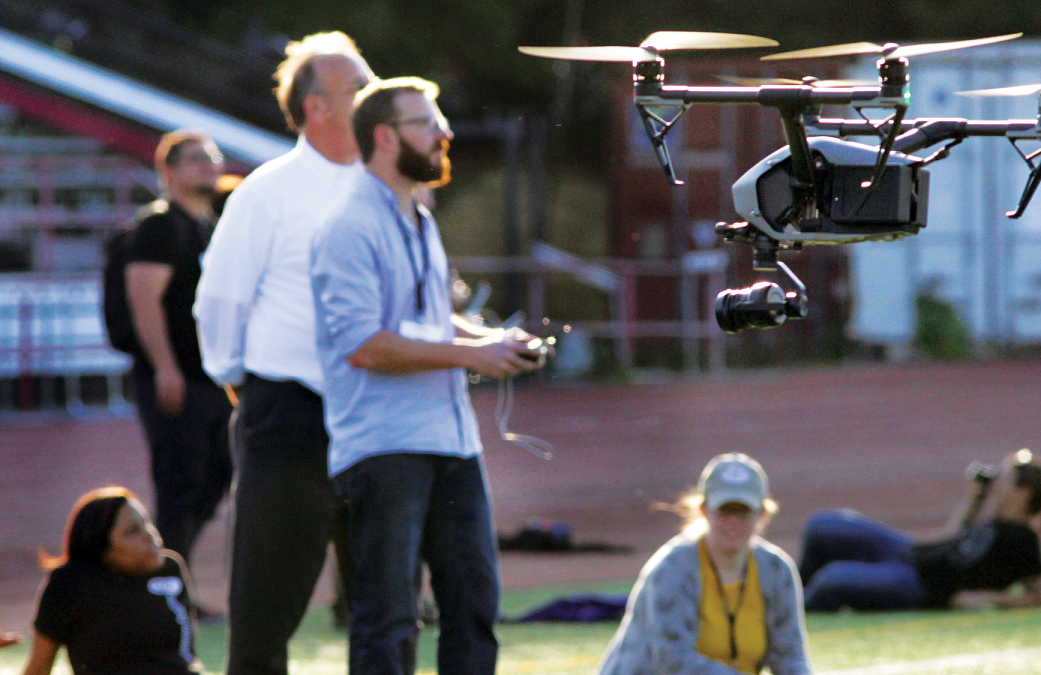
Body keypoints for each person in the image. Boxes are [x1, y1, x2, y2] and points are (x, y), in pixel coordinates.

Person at [309, 77, 545, 675]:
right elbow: (364, 344)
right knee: (388, 617)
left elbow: (430, 321)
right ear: (385, 137)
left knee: (474, 607)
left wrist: (492, 341)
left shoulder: (417, 217)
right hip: (386, 446)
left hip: (451, 441)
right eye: (427, 123)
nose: (445, 133)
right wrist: (472, 357)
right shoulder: (348, 225)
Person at [192, 31, 373, 675]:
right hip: (290, 419)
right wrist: (246, 385)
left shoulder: (390, 190)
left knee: (386, 611)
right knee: (265, 612)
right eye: (360, 86)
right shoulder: (266, 192)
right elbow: (219, 304)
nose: (374, 95)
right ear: (317, 106)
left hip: (379, 418)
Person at [126, 131, 233, 601]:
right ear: (167, 172)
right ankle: (166, 591)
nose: (210, 165)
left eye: (213, 157)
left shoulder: (209, 225)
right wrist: (165, 367)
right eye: (195, 159)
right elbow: (143, 300)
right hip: (176, 379)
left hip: (211, 379)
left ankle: (174, 585)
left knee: (215, 477)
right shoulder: (159, 226)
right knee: (180, 485)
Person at [595, 453, 813, 675]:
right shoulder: (671, 568)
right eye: (724, 511)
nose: (733, 523)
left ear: (762, 514)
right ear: (703, 510)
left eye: (743, 512)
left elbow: (790, 656)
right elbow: (673, 663)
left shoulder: (777, 570)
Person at [799, 448, 1041, 612]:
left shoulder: (1024, 539)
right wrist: (975, 499)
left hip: (921, 587)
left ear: (1024, 492)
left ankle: (790, 611)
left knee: (830, 581)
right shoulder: (995, 521)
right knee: (822, 526)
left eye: (1004, 480)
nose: (998, 486)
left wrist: (982, 597)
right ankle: (793, 593)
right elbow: (952, 536)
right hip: (913, 552)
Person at [22, 487, 199, 675]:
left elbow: (187, 655)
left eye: (147, 522)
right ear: (101, 547)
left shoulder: (170, 567)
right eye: (133, 530)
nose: (150, 534)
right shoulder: (70, 582)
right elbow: (39, 668)